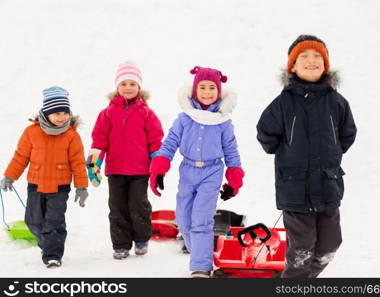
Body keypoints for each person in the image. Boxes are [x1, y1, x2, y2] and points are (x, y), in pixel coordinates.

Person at [256, 35, 357, 278]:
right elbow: (266, 134)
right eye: (304, 57)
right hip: (295, 189)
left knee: (330, 245)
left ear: (326, 65)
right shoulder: (283, 103)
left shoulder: (337, 102)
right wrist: (288, 151)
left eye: (317, 57)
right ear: (292, 66)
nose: (311, 61)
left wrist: (331, 153)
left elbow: (347, 133)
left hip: (328, 187)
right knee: (301, 250)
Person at [149, 66, 244, 278]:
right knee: (183, 220)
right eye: (202, 87)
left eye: (212, 88)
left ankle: (201, 267)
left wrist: (234, 179)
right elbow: (170, 142)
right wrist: (159, 169)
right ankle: (202, 254)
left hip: (212, 172)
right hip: (188, 170)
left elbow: (231, 151)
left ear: (218, 92)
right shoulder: (185, 118)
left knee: (201, 220)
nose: (207, 92)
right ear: (194, 90)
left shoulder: (223, 121)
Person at [0, 86, 88, 268]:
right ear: (46, 113)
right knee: (33, 221)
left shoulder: (72, 135)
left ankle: (52, 254)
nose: (61, 117)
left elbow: (78, 163)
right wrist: (10, 176)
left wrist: (81, 186)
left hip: (60, 188)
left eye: (65, 112)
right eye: (56, 113)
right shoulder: (31, 132)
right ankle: (46, 243)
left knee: (54, 222)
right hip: (35, 185)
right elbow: (21, 156)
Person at [88, 61, 163, 259]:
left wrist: (157, 165)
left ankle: (141, 239)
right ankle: (120, 244)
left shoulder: (147, 113)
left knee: (139, 205)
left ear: (139, 87)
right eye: (124, 84)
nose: (128, 87)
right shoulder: (107, 113)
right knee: (117, 207)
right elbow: (99, 139)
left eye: (132, 84)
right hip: (115, 170)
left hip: (140, 171)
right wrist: (94, 163)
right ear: (117, 87)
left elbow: (155, 141)